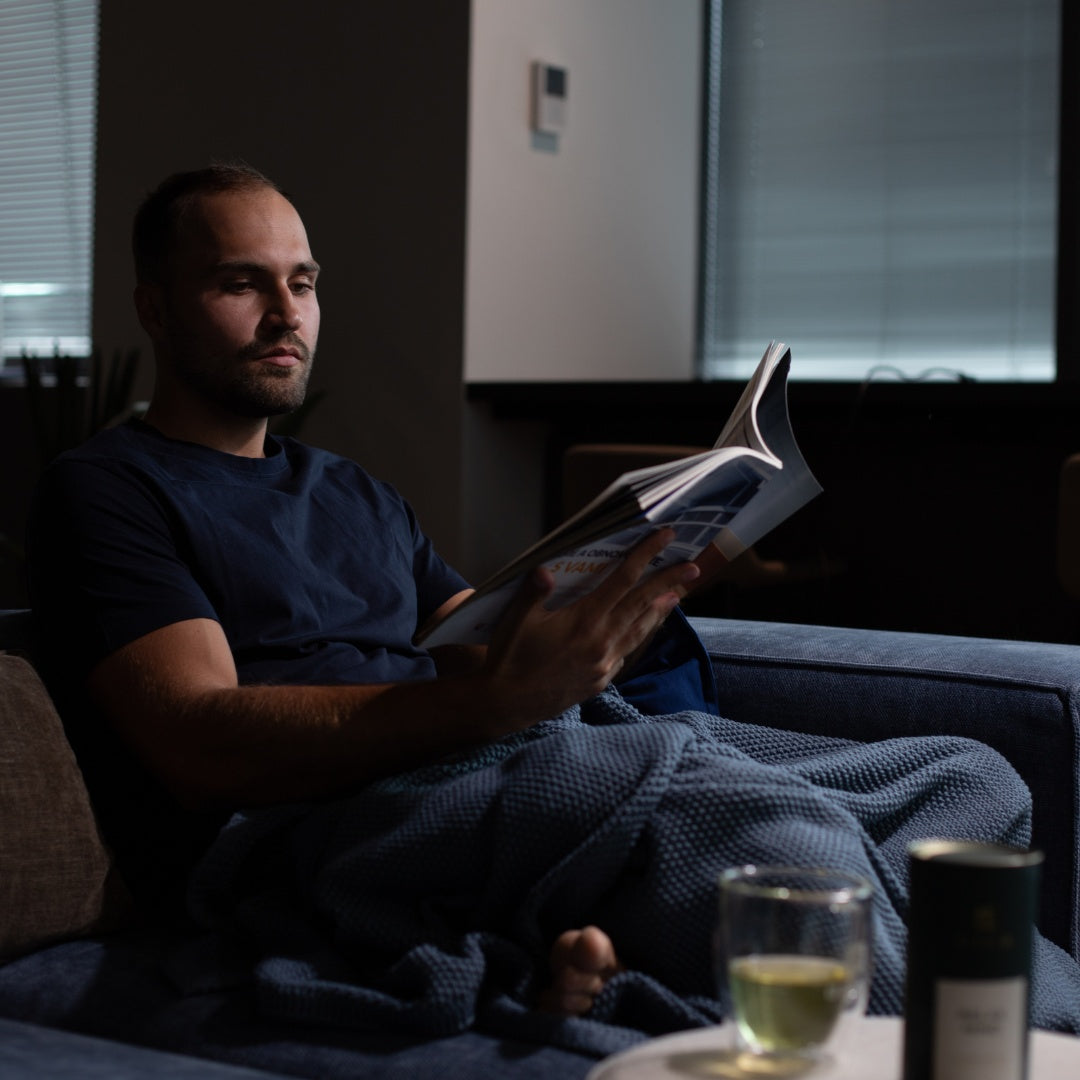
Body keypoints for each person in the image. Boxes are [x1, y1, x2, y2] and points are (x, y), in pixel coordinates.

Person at [26, 163, 711, 1012]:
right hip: (324, 819)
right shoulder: (108, 490)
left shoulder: (353, 490)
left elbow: (472, 643)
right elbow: (199, 739)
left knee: (911, 777)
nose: (287, 315)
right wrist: (496, 704)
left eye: (303, 283)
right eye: (242, 283)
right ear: (156, 310)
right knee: (759, 837)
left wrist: (609, 609)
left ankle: (584, 924)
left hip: (478, 764)